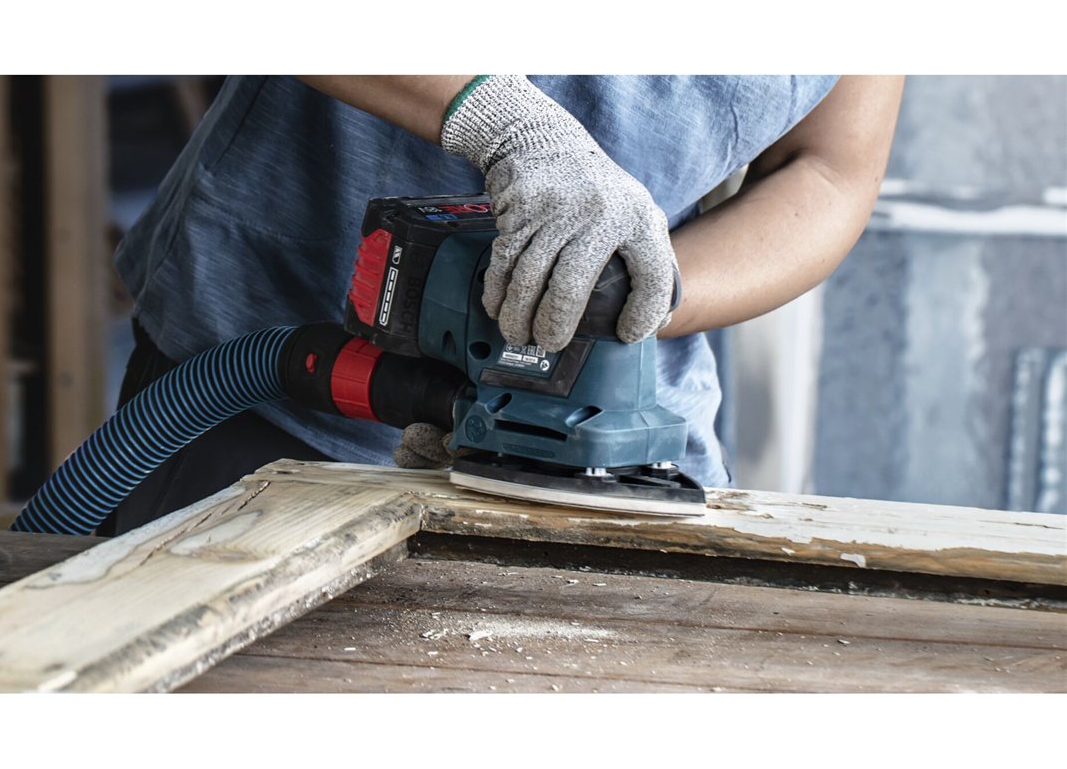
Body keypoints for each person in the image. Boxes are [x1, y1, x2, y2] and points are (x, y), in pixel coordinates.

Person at [100, 74, 904, 536]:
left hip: (619, 449)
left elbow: (828, 172)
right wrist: (508, 124)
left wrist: (627, 297)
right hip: (266, 386)